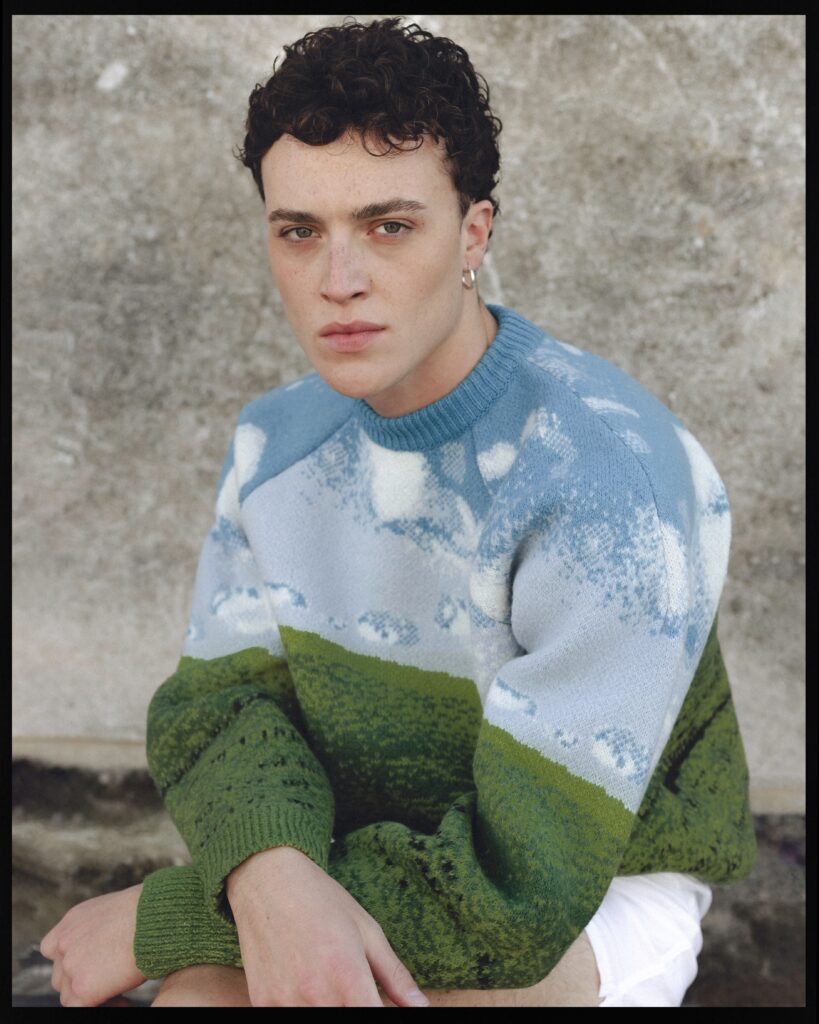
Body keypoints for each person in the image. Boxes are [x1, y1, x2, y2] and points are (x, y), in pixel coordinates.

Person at [39, 16, 757, 1007]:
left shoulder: (612, 480)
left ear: (473, 235)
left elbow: (517, 891)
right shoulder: (276, 440)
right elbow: (220, 709)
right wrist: (271, 877)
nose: (338, 282)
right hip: (356, 851)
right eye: (300, 232)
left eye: (389, 226)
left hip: (584, 885)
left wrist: (167, 916)